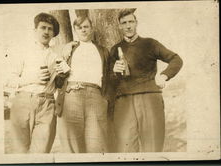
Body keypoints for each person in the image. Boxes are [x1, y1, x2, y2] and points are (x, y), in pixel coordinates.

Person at [109, 10, 183, 152]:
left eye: (131, 22)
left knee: (153, 147)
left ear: (136, 23)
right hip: (124, 101)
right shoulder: (115, 50)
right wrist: (114, 71)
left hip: (149, 97)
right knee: (125, 149)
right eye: (124, 23)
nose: (128, 26)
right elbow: (109, 81)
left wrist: (164, 75)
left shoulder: (150, 43)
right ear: (119, 26)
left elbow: (176, 59)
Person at [6, 13, 68, 153]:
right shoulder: (22, 51)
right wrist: (32, 78)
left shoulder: (56, 56)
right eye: (43, 28)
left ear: (53, 34)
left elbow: (59, 84)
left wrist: (62, 76)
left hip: (47, 104)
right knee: (19, 152)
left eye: (50, 29)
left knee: (41, 152)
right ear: (35, 30)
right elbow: (9, 80)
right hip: (23, 101)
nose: (46, 32)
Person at [55, 16, 110, 153]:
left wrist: (106, 99)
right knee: (72, 143)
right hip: (72, 95)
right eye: (79, 27)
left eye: (86, 27)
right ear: (75, 30)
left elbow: (109, 77)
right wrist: (63, 61)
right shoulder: (69, 49)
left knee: (96, 143)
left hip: (96, 96)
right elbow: (58, 79)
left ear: (91, 28)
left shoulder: (103, 50)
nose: (83, 30)